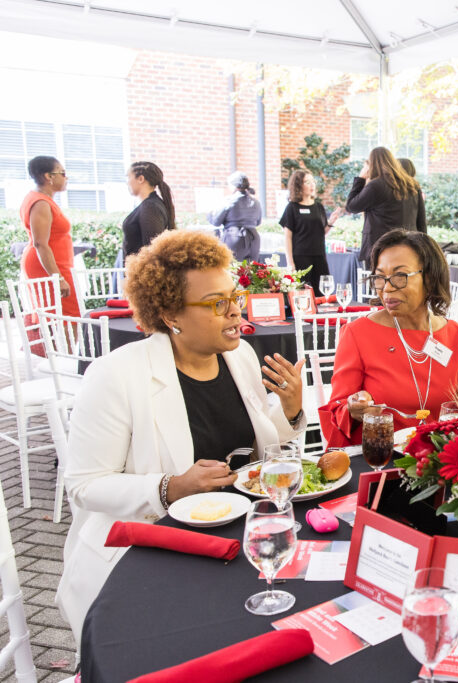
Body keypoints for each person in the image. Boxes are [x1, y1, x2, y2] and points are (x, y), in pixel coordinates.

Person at [56, 230, 306, 645]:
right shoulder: (117, 376)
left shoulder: (238, 357)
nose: (234, 312)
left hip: (236, 539)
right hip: (152, 556)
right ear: (171, 314)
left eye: (235, 298)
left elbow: (263, 445)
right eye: (216, 304)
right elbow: (83, 486)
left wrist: (292, 409)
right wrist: (169, 488)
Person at [319, 229, 458, 447]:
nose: (387, 288)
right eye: (380, 278)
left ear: (429, 277)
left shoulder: (456, 335)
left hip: (438, 463)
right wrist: (353, 409)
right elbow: (337, 411)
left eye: (400, 277)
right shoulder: (358, 334)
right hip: (381, 461)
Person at [346, 147, 427, 266]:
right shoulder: (412, 185)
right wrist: (423, 247)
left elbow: (351, 206)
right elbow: (421, 221)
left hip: (381, 248)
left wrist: (360, 179)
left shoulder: (376, 186)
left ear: (371, 164)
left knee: (379, 283)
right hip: (409, 247)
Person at [20, 156, 80, 315]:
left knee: (66, 315)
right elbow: (40, 243)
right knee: (65, 316)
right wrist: (58, 278)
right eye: (62, 173)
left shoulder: (43, 200)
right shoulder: (40, 203)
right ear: (49, 177)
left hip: (56, 264)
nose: (66, 177)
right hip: (50, 266)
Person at [279, 170, 343, 296]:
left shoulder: (318, 207)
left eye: (313, 181)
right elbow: (287, 237)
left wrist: (331, 222)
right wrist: (290, 262)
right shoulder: (292, 207)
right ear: (298, 185)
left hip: (319, 256)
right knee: (302, 293)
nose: (312, 185)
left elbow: (321, 232)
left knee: (322, 292)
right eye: (307, 182)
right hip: (300, 257)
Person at [121, 161, 175, 258]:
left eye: (129, 177)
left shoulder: (150, 207)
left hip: (143, 271)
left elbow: (153, 248)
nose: (127, 182)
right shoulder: (150, 205)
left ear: (141, 179)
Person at [208, 171, 262, 262]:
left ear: (234, 186)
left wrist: (209, 213)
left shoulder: (229, 200)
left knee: (233, 270)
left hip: (234, 238)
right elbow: (258, 222)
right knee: (252, 271)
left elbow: (216, 221)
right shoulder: (256, 202)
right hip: (254, 239)